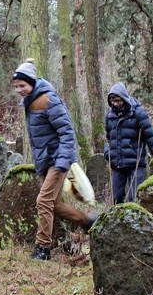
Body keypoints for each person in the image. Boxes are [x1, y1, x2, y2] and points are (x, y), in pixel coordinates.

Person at [11, 59, 95, 261]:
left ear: (31, 82)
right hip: (44, 161)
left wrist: (62, 162)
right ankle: (87, 222)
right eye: (16, 87)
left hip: (58, 160)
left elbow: (67, 132)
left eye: (22, 85)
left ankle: (42, 247)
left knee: (43, 200)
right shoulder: (30, 103)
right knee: (53, 204)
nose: (19, 90)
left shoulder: (48, 99)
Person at [103, 82, 153, 204]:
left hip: (135, 163)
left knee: (135, 198)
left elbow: (150, 138)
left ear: (124, 98)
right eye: (112, 101)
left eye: (118, 101)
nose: (115, 104)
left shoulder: (138, 113)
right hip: (117, 164)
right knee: (117, 199)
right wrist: (107, 153)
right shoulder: (109, 116)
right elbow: (107, 138)